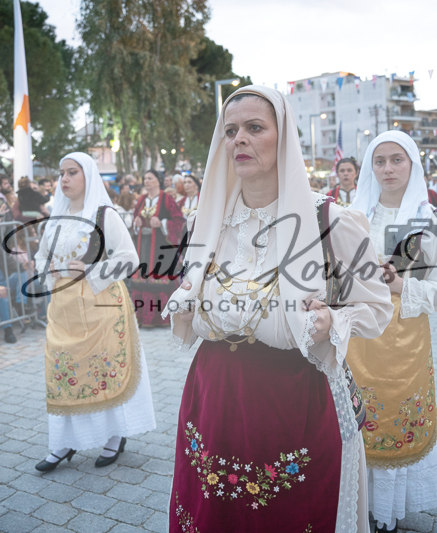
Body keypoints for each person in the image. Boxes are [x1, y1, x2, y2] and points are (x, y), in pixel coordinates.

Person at [163, 86, 393, 533]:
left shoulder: (331, 221)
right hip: (213, 396)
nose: (240, 139)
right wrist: (188, 299)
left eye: (255, 127)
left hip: (294, 398)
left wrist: (334, 320)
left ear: (283, 137)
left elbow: (377, 306)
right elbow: (196, 288)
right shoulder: (206, 221)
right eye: (231, 130)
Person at [348, 130, 437, 533]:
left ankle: (386, 512)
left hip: (404, 340)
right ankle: (352, 502)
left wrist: (399, 286)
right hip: (355, 337)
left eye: (397, 160)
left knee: (394, 417)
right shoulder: (353, 217)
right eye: (379, 161)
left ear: (413, 165)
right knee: (353, 415)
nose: (388, 169)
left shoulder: (430, 223)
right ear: (369, 167)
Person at [33, 152, 155, 471]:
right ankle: (64, 442)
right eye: (62, 173)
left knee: (102, 371)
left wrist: (90, 270)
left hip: (101, 306)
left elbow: (129, 259)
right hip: (63, 309)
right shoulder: (56, 218)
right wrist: (49, 270)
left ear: (88, 176)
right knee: (65, 371)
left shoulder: (104, 215)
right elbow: (40, 257)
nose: (64, 179)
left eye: (72, 172)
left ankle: (115, 436)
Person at [130, 169, 185, 327]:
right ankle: (144, 317)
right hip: (144, 245)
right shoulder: (141, 200)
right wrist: (136, 224)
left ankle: (162, 317)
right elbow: (135, 219)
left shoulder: (167, 199)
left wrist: (162, 224)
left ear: (158, 181)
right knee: (144, 278)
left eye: (150, 178)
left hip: (161, 247)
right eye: (145, 178)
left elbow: (179, 221)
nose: (146, 181)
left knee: (160, 279)